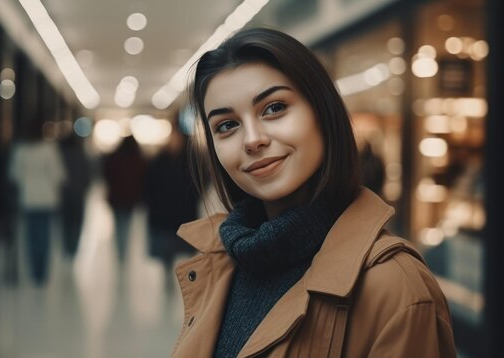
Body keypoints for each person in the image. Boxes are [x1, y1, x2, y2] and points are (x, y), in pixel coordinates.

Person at [172, 28, 455, 357]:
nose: (252, 139)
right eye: (226, 125)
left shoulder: (395, 287)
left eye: (274, 108)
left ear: (322, 113)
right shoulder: (221, 263)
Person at [9, 122, 66, 286]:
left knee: (31, 235)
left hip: (28, 197)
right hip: (47, 197)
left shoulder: (21, 151)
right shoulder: (49, 150)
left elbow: (14, 176)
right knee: (44, 235)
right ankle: (42, 271)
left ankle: (34, 270)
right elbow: (57, 175)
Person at [144, 126, 199, 293]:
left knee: (185, 249)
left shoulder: (190, 162)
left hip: (183, 214)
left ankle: (190, 281)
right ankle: (168, 276)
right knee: (166, 250)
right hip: (163, 213)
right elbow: (148, 184)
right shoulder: (158, 161)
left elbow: (200, 185)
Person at [103, 136, 147, 267]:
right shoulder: (138, 160)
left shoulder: (114, 158)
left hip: (116, 198)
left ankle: (120, 252)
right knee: (127, 224)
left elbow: (107, 175)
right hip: (130, 198)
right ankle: (124, 250)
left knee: (118, 225)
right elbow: (143, 180)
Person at [59, 133, 92, 258]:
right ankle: (74, 247)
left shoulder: (61, 156)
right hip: (78, 193)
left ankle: (67, 246)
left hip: (65, 194)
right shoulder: (81, 156)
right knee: (77, 222)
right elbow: (87, 175)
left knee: (66, 222)